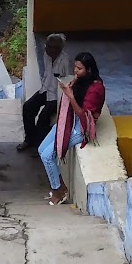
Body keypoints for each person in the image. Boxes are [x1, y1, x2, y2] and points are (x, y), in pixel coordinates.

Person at [40, 52, 105, 206]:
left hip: (82, 127)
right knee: (42, 150)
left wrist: (70, 96)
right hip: (69, 121)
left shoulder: (96, 88)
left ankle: (59, 190)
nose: (75, 71)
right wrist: (73, 84)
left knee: (48, 156)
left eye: (79, 68)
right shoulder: (82, 81)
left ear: (89, 70)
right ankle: (60, 186)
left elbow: (83, 115)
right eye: (75, 67)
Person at [17, 34, 72, 152]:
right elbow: (47, 75)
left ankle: (40, 146)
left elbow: (67, 80)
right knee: (28, 107)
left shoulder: (65, 61)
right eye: (47, 46)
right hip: (45, 89)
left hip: (56, 95)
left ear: (58, 49)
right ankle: (29, 139)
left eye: (50, 47)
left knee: (43, 118)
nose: (47, 49)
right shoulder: (46, 55)